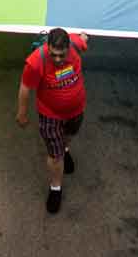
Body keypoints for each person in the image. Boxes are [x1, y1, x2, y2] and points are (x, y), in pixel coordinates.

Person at [17, 26, 88, 214]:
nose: (57, 59)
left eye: (61, 55)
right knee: (54, 156)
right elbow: (25, 88)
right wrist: (22, 113)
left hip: (76, 110)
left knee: (69, 135)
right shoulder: (35, 62)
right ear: (48, 47)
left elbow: (83, 38)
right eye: (53, 55)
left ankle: (65, 148)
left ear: (69, 48)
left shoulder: (75, 44)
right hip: (50, 115)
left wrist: (85, 36)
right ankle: (56, 188)